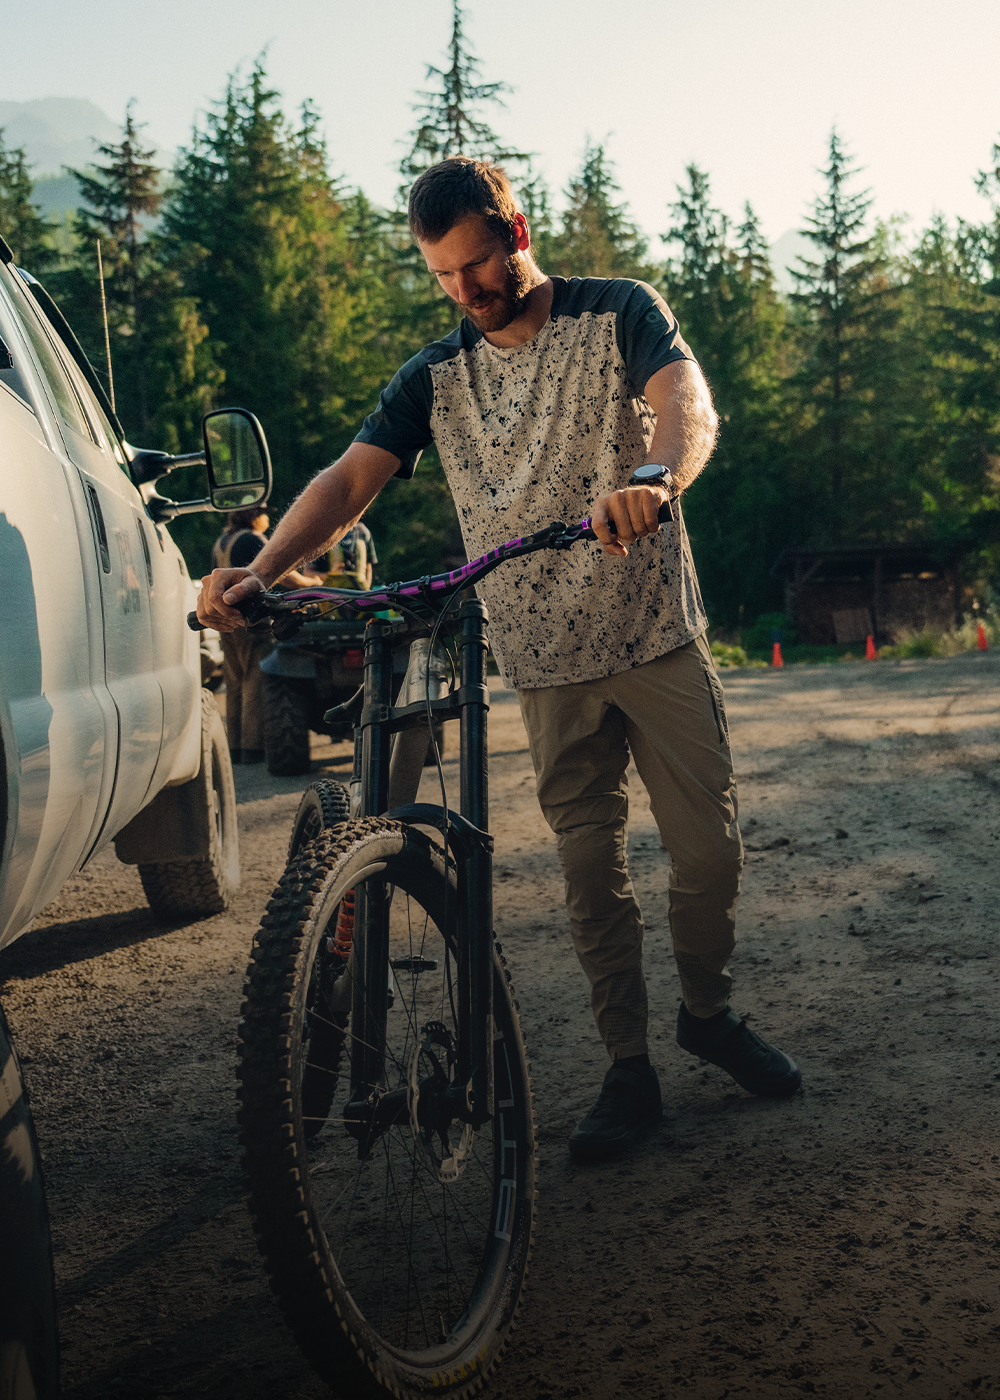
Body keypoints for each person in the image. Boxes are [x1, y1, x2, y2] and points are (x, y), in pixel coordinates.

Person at [198, 156, 801, 1159]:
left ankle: (707, 1011)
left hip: (654, 634)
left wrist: (652, 476)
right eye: (444, 277)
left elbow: (684, 402)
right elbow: (350, 480)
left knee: (707, 853)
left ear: (517, 233)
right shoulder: (436, 376)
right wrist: (261, 568)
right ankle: (629, 1067)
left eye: (477, 265)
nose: (466, 291)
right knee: (587, 871)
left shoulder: (617, 311)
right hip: (545, 658)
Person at [210, 507, 321, 763]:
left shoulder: (222, 541)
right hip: (252, 620)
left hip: (227, 621)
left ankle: (235, 747)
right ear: (254, 517)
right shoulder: (252, 539)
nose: (268, 519)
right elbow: (280, 571)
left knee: (235, 681)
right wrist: (311, 585)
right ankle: (253, 748)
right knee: (256, 678)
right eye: (265, 515)